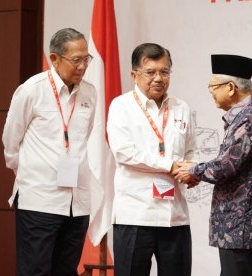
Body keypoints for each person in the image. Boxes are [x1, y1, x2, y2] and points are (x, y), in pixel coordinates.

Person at [173, 54, 252, 276]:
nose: (210, 92)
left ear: (230, 88)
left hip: (243, 226)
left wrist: (193, 169)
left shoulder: (249, 118)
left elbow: (225, 166)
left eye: (212, 87)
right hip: (249, 226)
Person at [2, 28, 97, 276]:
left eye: (86, 59)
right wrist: (30, 175)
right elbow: (11, 142)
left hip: (77, 202)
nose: (82, 66)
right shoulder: (32, 90)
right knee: (36, 271)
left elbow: (82, 138)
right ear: (54, 59)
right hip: (40, 200)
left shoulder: (90, 92)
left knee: (66, 270)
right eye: (76, 59)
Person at [107, 43, 197, 276]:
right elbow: (124, 152)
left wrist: (192, 170)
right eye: (151, 72)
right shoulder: (121, 106)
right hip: (135, 215)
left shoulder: (182, 107)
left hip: (174, 217)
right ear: (134, 74)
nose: (158, 78)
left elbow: (190, 150)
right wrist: (169, 165)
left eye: (164, 72)